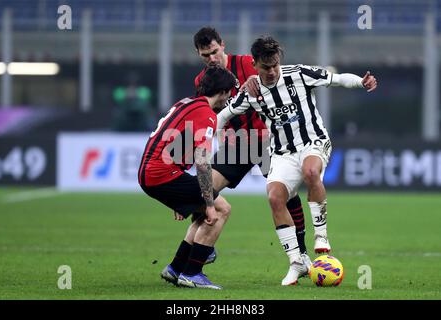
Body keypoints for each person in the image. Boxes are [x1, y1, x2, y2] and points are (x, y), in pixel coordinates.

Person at [217, 36, 377, 285]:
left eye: (275, 65)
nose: (271, 71)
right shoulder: (251, 92)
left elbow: (336, 79)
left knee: (311, 172)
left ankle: (321, 237)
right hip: (282, 153)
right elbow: (222, 115)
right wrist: (209, 138)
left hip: (313, 142)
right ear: (255, 65)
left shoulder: (299, 74)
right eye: (265, 67)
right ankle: (297, 262)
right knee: (274, 197)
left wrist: (361, 82)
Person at [192, 27, 311, 265]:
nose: (212, 58)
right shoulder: (202, 81)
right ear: (198, 54)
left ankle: (302, 252)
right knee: (203, 191)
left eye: (214, 52)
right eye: (205, 55)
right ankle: (203, 247)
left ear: (222, 45)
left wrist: (256, 80)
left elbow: (278, 83)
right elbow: (211, 112)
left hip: (268, 141)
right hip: (237, 145)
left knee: (287, 196)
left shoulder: (249, 63)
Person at [139, 66, 236, 289]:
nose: (229, 97)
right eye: (229, 92)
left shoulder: (186, 103)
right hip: (161, 174)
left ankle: (175, 268)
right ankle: (192, 273)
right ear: (222, 91)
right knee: (221, 209)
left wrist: (180, 194)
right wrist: (209, 204)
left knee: (203, 211)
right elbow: (202, 163)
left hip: (153, 172)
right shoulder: (207, 115)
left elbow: (176, 147)